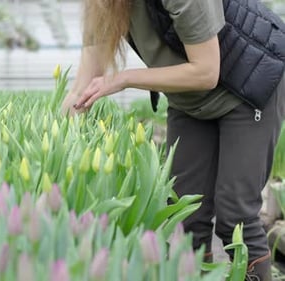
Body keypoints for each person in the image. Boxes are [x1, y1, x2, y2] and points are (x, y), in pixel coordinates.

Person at [61, 1, 285, 280]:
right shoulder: (103, 4)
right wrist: (58, 134)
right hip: (189, 101)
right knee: (184, 215)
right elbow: (83, 84)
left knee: (236, 215)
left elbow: (206, 71)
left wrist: (124, 79)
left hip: (249, 86)